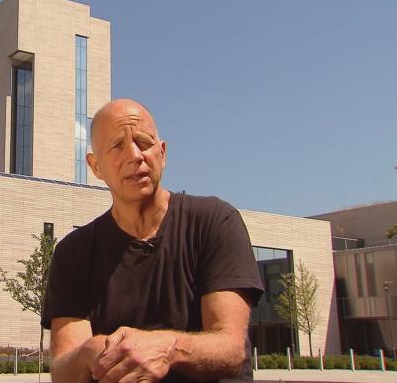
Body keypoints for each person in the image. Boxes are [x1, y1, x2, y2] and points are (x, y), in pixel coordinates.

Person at [42, 99, 264, 383]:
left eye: (144, 142)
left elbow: (231, 349)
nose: (135, 155)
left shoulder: (215, 222)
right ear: (95, 166)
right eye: (117, 146)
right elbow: (63, 371)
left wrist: (165, 348)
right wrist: (90, 352)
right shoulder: (74, 253)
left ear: (162, 153)